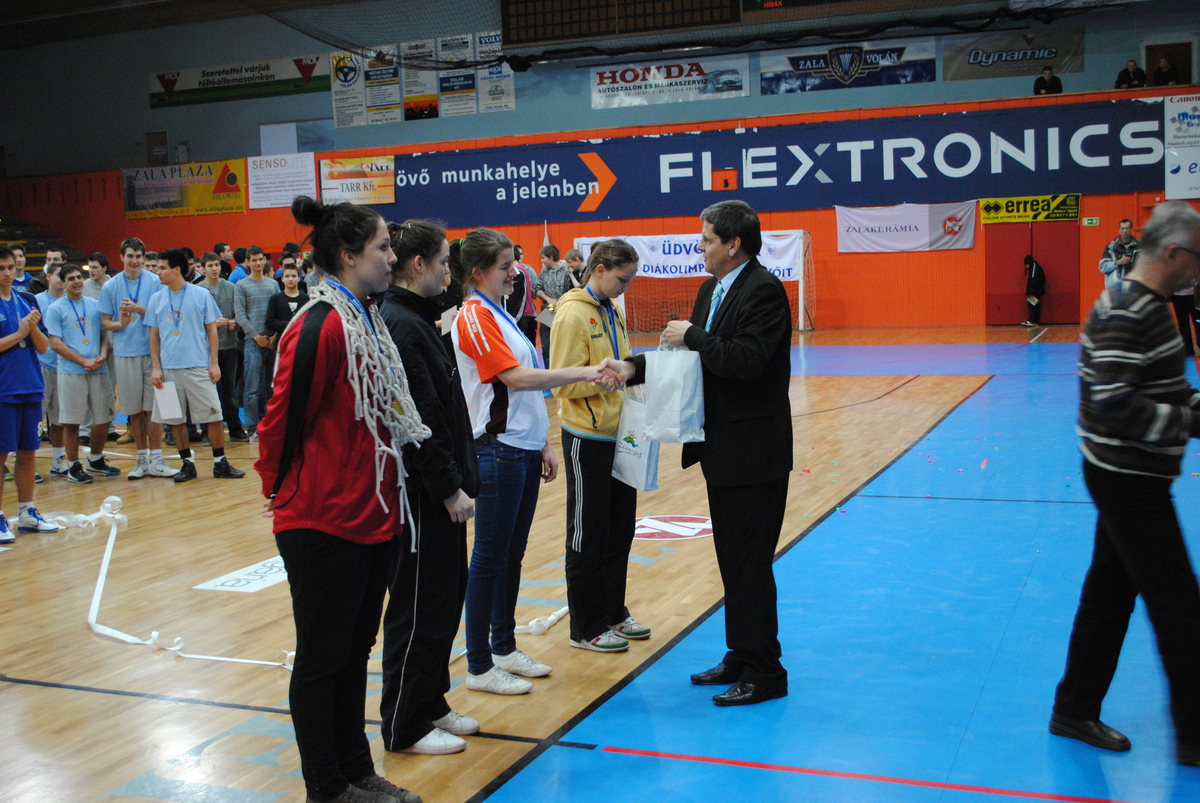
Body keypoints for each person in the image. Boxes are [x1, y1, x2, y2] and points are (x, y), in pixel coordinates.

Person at [256, 195, 428, 803]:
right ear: (350, 256)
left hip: (372, 514)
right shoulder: (321, 325)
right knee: (323, 657)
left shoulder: (368, 320)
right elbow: (279, 421)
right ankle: (326, 786)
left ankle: (357, 771)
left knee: (355, 653)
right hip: (321, 519)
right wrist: (280, 491)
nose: (392, 257)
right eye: (382, 247)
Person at [605, 200, 793, 706]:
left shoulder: (764, 290)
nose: (700, 246)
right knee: (732, 560)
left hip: (755, 454)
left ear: (734, 244)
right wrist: (632, 368)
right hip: (722, 450)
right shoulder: (713, 289)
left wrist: (693, 334)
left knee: (751, 563)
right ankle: (741, 654)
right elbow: (690, 361)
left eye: (707, 239)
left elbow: (746, 362)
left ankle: (766, 671)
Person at [1051, 200, 1200, 767]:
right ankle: (1195, 735)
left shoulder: (1151, 306)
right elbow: (1115, 404)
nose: (1198, 270)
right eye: (1197, 259)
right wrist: (1187, 421)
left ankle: (1073, 708)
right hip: (1125, 477)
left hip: (1132, 472)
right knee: (1178, 606)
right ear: (1174, 253)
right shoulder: (1124, 309)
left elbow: (1165, 390)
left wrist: (1191, 408)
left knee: (1108, 597)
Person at [453, 227, 618, 696]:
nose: (516, 274)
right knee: (489, 559)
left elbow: (522, 395)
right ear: (478, 272)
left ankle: (504, 647)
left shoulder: (500, 313)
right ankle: (479, 664)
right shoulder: (474, 315)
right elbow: (517, 379)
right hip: (497, 451)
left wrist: (542, 441)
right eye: (506, 267)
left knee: (511, 557)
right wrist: (586, 371)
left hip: (521, 450)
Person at [378, 220, 480, 756]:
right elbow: (418, 418)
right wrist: (446, 486)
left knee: (443, 602)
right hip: (422, 495)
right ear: (418, 264)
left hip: (440, 489)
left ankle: (431, 700)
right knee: (419, 607)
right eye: (442, 263)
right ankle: (404, 723)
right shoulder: (402, 323)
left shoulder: (418, 317)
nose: (448, 273)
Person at [551, 239, 650, 653]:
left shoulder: (612, 309)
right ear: (601, 269)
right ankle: (585, 626)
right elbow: (561, 381)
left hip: (620, 433)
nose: (626, 286)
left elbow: (623, 363)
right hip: (587, 437)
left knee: (619, 529)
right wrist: (599, 379)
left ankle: (613, 611)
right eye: (623, 279)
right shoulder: (572, 313)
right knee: (586, 534)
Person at [145, 249, 244, 483]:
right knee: (175, 419)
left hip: (198, 366)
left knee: (213, 415)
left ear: (176, 269)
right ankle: (187, 464)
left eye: (162, 268)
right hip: (168, 370)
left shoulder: (200, 294)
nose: (158, 272)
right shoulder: (156, 298)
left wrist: (213, 363)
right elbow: (153, 335)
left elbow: (212, 331)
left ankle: (220, 463)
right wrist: (156, 367)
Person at [99, 237, 177, 480]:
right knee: (134, 410)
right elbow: (104, 323)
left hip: (154, 353)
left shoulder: (155, 281)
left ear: (144, 258)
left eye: (138, 256)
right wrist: (120, 323)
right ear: (121, 257)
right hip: (125, 353)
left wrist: (139, 310)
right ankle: (142, 459)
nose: (134, 260)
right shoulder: (110, 286)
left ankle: (158, 459)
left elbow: (163, 315)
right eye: (130, 256)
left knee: (155, 409)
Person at [0, 244, 62, 543]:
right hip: (4, 389)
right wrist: (19, 334)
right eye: (1, 269)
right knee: (1, 455)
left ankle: (27, 511)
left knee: (28, 452)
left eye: (10, 268)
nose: (6, 273)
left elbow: (43, 346)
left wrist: (33, 329)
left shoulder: (26, 299)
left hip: (31, 385)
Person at [45, 264, 120, 483]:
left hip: (98, 369)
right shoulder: (56, 309)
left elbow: (104, 335)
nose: (77, 281)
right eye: (71, 279)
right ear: (62, 283)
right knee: (72, 422)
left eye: (79, 277)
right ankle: (73, 466)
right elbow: (56, 344)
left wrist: (102, 354)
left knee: (105, 417)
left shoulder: (95, 305)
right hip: (71, 371)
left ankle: (95, 460)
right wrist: (82, 360)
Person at [199, 252, 248, 442]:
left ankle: (235, 428)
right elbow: (194, 321)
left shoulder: (231, 288)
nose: (214, 269)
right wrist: (211, 323)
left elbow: (240, 313)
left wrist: (236, 322)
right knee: (207, 390)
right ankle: (206, 431)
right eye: (210, 265)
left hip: (229, 345)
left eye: (216, 265)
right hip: (206, 349)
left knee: (230, 391)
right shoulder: (198, 290)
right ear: (203, 269)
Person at [233, 245, 280, 440]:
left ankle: (271, 425)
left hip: (272, 341)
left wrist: (274, 336)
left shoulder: (273, 285)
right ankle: (252, 429)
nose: (258, 263)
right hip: (253, 342)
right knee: (252, 389)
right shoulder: (241, 285)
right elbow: (240, 315)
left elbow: (279, 311)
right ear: (248, 262)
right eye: (254, 260)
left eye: (261, 259)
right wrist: (256, 336)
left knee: (272, 387)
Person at [34, 263, 68, 477]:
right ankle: (28, 464)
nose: (63, 280)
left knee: (59, 418)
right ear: (48, 277)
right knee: (36, 418)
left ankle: (57, 460)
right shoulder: (36, 301)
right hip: (42, 365)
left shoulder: (70, 302)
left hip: (64, 366)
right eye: (59, 276)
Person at [263, 263, 310, 410]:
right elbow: (270, 322)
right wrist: (292, 324)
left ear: (299, 278)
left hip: (301, 346)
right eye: (287, 276)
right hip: (280, 347)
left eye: (293, 276)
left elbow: (309, 322)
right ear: (282, 278)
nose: (290, 279)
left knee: (300, 382)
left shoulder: (306, 299)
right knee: (278, 382)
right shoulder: (276, 299)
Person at [533, 244, 571, 371]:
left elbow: (572, 291)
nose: (541, 261)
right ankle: (549, 372)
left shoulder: (566, 271)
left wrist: (559, 304)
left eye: (543, 258)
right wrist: (549, 300)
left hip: (564, 309)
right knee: (546, 343)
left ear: (551, 257)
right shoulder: (544, 271)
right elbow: (538, 289)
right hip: (548, 308)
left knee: (563, 343)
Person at [505, 244, 538, 344]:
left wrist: (515, 317)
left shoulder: (520, 270)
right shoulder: (517, 269)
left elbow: (521, 296)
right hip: (521, 313)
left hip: (523, 313)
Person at [1100, 218, 1139, 289]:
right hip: (1116, 288)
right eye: (1122, 228)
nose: (1125, 231)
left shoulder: (1140, 247)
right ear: (1119, 230)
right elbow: (1103, 267)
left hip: (1135, 287)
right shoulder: (1111, 247)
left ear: (1131, 230)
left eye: (1127, 228)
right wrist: (1117, 263)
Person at [1022, 254, 1047, 327]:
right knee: (1036, 305)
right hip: (1037, 291)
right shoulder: (1036, 266)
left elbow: (1033, 280)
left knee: (1031, 305)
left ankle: (1031, 320)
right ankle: (1035, 320)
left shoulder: (1034, 268)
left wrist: (1031, 292)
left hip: (1035, 291)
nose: (1026, 266)